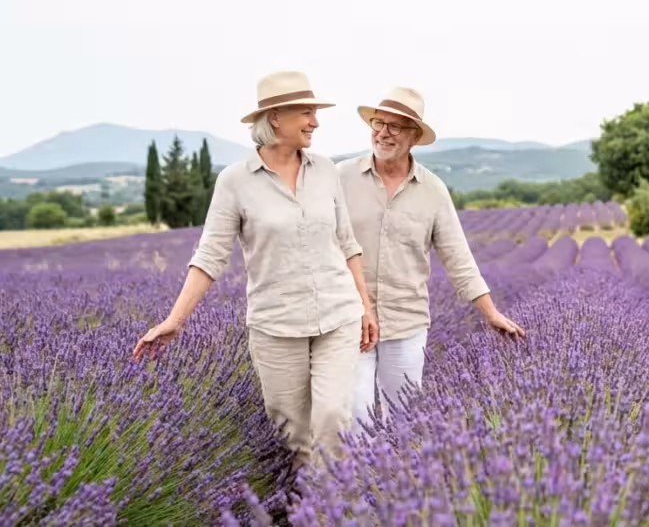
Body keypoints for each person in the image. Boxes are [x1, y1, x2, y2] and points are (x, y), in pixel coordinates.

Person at [133, 71, 379, 470]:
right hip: (276, 326)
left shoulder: (325, 170)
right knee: (294, 434)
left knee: (333, 419)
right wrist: (174, 321)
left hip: (338, 315)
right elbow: (210, 255)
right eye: (306, 112)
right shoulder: (234, 182)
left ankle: (331, 512)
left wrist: (365, 307)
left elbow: (347, 243)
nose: (315, 121)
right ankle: (309, 503)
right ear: (276, 118)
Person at [336, 86, 524, 427]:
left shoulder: (433, 190)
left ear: (413, 136)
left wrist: (490, 312)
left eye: (395, 126)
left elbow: (458, 257)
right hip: (350, 320)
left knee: (404, 419)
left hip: (406, 322)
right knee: (354, 417)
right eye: (379, 123)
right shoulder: (340, 178)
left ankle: (392, 480)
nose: (383, 133)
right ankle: (356, 480)